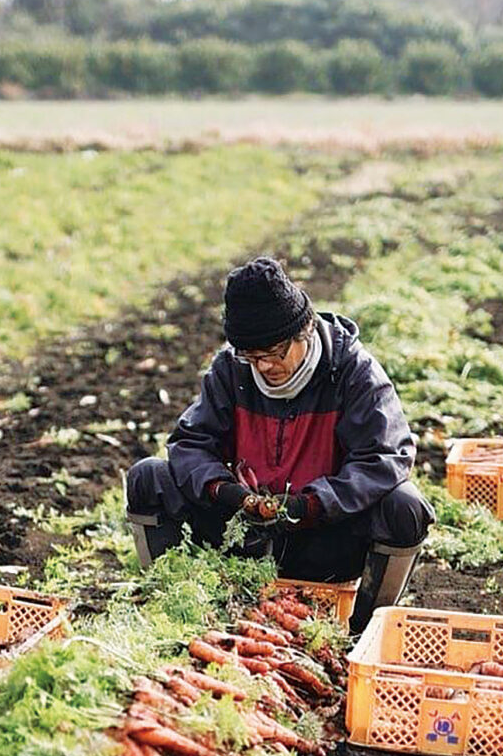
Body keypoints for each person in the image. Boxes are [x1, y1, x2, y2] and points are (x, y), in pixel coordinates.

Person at [125, 255, 434, 633]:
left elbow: (384, 457)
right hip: (245, 535)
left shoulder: (353, 371)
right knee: (148, 478)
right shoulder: (231, 369)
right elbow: (190, 442)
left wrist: (311, 504)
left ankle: (366, 633)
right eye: (252, 356)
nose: (264, 366)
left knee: (405, 506)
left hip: (324, 538)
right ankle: (170, 610)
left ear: (303, 332)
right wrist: (227, 493)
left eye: (274, 353)